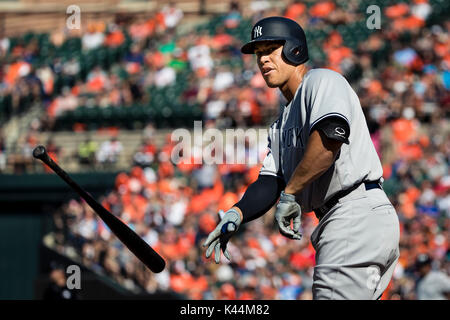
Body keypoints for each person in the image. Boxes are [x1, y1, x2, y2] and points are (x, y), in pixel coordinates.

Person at [202, 16, 400, 300]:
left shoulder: (321, 80)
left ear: (294, 49)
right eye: (258, 54)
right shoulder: (280, 123)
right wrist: (237, 213)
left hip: (354, 213)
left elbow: (329, 139)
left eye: (270, 49)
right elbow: (271, 181)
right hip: (350, 220)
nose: (263, 60)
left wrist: (291, 193)